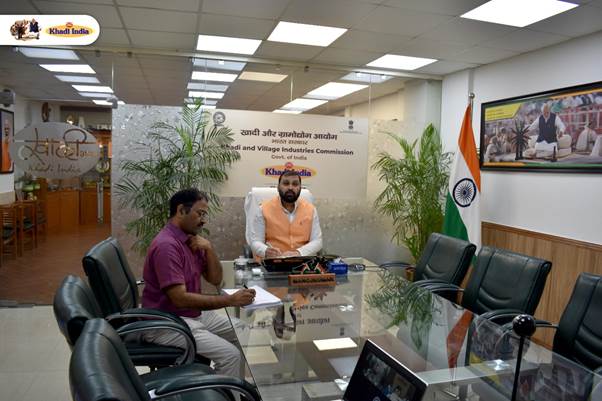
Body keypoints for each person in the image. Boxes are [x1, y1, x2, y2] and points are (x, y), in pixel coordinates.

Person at [141, 188, 256, 377]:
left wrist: (209, 249)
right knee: (230, 355)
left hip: (191, 314)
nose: (204, 220)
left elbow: (215, 279)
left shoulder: (190, 240)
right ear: (181, 210)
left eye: (205, 215)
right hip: (167, 322)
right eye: (200, 213)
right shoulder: (167, 246)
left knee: (241, 329)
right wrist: (229, 300)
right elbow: (180, 299)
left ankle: (235, 387)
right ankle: (225, 391)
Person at [249, 170, 322, 258]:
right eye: (286, 183)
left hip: (302, 262)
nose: (290, 187)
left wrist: (299, 253)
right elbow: (255, 241)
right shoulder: (263, 209)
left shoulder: (311, 210)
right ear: (278, 187)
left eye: (295, 184)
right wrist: (266, 251)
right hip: (273, 262)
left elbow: (317, 241)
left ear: (300, 188)